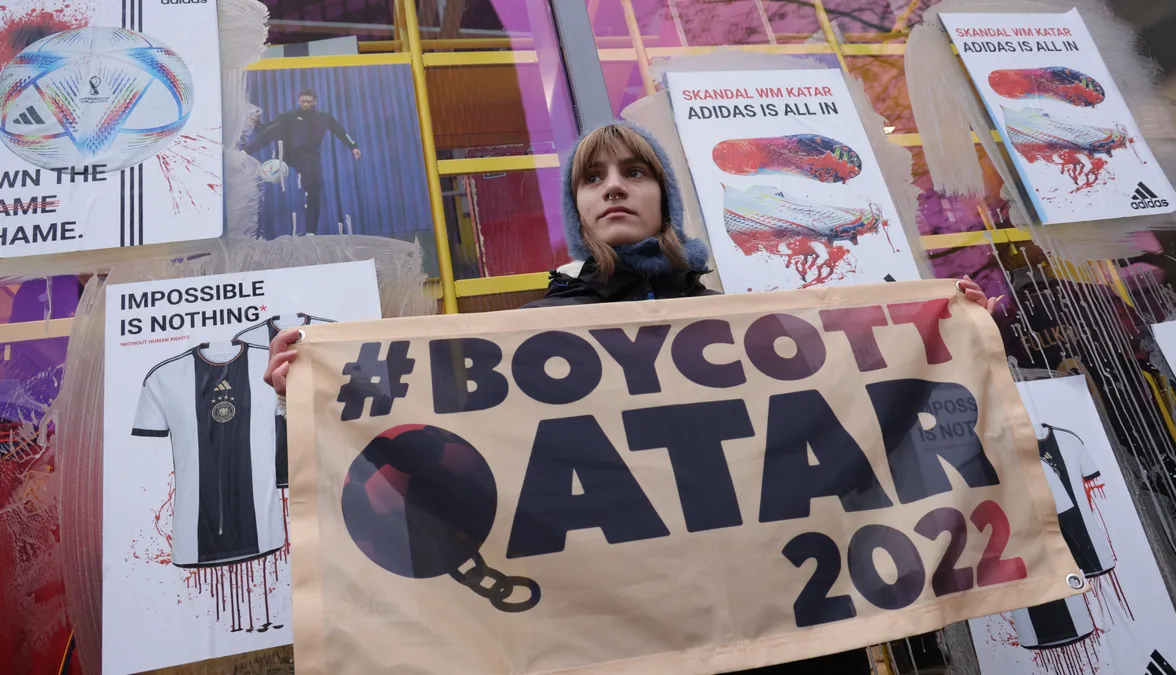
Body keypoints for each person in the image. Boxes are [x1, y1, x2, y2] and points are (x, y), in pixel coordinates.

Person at [262, 122, 1000, 674]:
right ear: (579, 208)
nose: (614, 185)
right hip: (623, 642)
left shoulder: (755, 327)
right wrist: (314, 389)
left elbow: (862, 416)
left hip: (779, 640)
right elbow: (431, 453)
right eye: (594, 178)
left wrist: (950, 336)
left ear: (664, 198)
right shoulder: (523, 339)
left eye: (636, 171)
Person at [245, 89, 363, 235]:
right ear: (298, 101)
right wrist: (258, 124)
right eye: (302, 101)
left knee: (314, 189)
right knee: (277, 127)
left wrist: (353, 146)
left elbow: (341, 132)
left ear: (315, 102)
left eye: (308, 102)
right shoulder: (288, 116)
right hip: (287, 153)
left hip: (308, 156)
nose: (305, 104)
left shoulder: (324, 117)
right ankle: (245, 153)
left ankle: (310, 232)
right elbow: (267, 129)